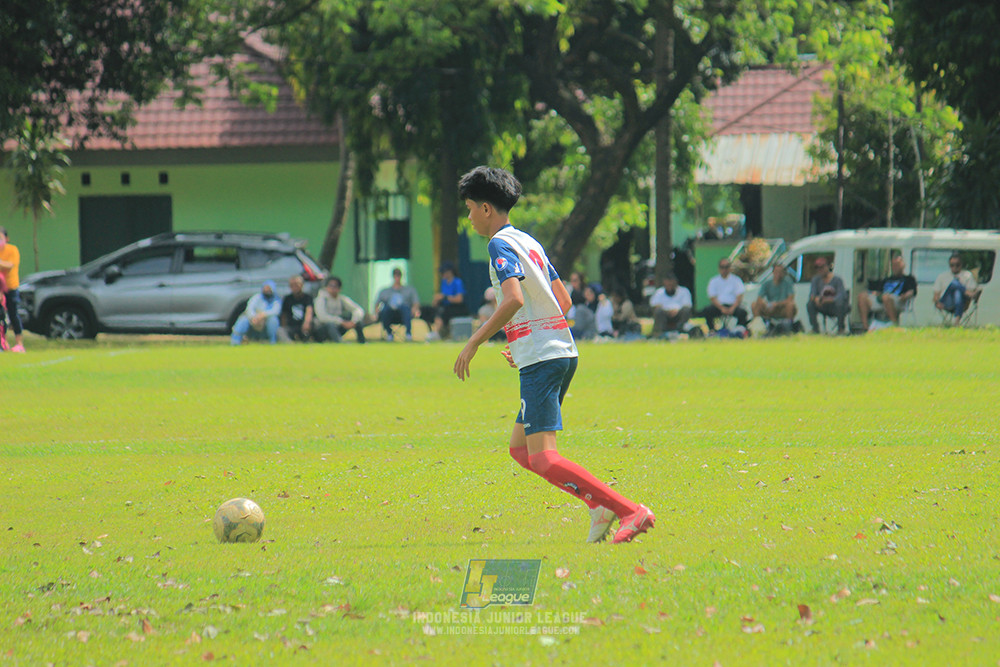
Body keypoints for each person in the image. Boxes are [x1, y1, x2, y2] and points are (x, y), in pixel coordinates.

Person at [453, 165, 654, 545]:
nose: (468, 217)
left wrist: (475, 340)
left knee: (543, 457)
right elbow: (563, 299)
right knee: (520, 450)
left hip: (545, 358)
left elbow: (513, 298)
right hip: (558, 352)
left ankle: (630, 510)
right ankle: (599, 508)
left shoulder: (498, 244)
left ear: (485, 208)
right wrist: (524, 339)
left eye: (469, 208)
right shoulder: (529, 242)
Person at [858, 253, 917, 329]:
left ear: (903, 266)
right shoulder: (887, 279)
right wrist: (874, 293)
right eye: (893, 265)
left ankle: (895, 325)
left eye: (897, 265)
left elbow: (912, 291)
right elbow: (879, 291)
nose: (895, 268)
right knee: (862, 296)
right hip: (883, 298)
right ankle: (866, 327)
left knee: (886, 297)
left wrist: (905, 296)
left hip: (898, 299)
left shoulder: (909, 279)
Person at [313, 276, 366, 343]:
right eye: (331, 286)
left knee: (357, 321)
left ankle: (362, 342)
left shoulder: (341, 299)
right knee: (330, 325)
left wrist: (353, 321)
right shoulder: (321, 299)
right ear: (326, 287)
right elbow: (322, 317)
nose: (333, 288)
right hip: (322, 328)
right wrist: (341, 322)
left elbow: (358, 309)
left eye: (335, 286)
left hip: (338, 326)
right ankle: (339, 342)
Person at [375, 267, 421, 341]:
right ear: (393, 276)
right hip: (390, 314)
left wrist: (415, 309)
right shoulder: (385, 291)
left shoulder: (409, 290)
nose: (397, 277)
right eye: (395, 275)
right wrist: (376, 311)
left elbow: (416, 302)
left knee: (405, 308)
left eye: (399, 275)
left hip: (404, 314)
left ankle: (408, 333)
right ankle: (389, 333)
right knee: (385, 309)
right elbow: (377, 303)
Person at [933, 253, 979, 325]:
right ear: (949, 265)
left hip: (963, 302)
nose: (955, 267)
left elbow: (974, 289)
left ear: (961, 265)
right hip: (946, 302)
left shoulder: (967, 275)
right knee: (954, 283)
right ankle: (965, 291)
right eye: (952, 265)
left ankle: (956, 321)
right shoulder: (942, 276)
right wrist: (937, 302)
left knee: (958, 292)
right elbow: (936, 295)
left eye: (957, 265)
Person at [702, 259, 748, 330]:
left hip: (733, 305)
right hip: (719, 306)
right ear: (719, 268)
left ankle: (738, 330)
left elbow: (739, 296)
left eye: (726, 267)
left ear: (730, 268)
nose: (724, 269)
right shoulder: (714, 281)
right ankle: (712, 331)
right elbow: (712, 297)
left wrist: (732, 308)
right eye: (722, 267)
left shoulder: (736, 280)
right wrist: (722, 308)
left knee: (743, 313)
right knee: (707, 311)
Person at [230, 280, 281, 344]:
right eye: (265, 288)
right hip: (254, 320)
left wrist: (263, 315)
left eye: (269, 289)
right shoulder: (256, 297)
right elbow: (249, 309)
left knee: (273, 320)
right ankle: (235, 341)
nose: (267, 291)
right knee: (243, 320)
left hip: (266, 321)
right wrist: (254, 317)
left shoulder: (276, 300)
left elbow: (276, 311)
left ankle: (273, 342)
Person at [807, 257, 849, 334]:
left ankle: (841, 329)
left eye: (822, 267)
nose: (820, 270)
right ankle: (815, 329)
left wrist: (829, 300)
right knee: (810, 304)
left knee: (840, 304)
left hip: (834, 306)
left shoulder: (837, 280)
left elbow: (841, 295)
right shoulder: (815, 280)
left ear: (828, 266)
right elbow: (812, 294)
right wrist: (816, 299)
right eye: (817, 268)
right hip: (822, 305)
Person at [0, 227, 26, 352]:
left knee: (13, 314)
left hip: (10, 288)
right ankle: (3, 342)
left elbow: (10, 266)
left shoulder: (12, 250)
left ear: (7, 239)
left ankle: (19, 344)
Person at [427, 262, 467, 341]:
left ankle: (437, 333)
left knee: (442, 312)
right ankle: (433, 331)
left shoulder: (457, 282)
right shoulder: (444, 282)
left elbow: (459, 299)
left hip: (457, 307)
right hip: (445, 306)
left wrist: (445, 297)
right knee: (431, 310)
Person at [277, 275, 313, 342]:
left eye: (296, 284)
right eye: (291, 285)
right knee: (280, 330)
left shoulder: (307, 298)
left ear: (302, 285)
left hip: (305, 325)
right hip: (292, 326)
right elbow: (284, 315)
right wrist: (284, 326)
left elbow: (309, 311)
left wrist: (306, 323)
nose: (294, 287)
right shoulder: (287, 299)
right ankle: (290, 344)